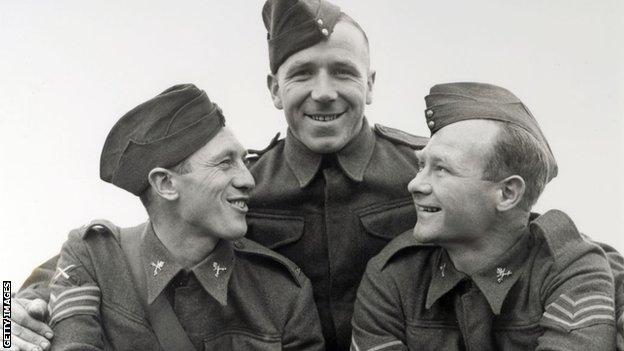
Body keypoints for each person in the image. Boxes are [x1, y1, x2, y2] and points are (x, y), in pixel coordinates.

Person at [11, 1, 624, 350]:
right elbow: (122, 247)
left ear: (372, 85)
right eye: (302, 73)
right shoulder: (243, 184)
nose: (324, 93)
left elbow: (534, 235)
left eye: (344, 73)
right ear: (273, 88)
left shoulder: (425, 172)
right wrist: (14, 310)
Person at [21, 84, 324, 351]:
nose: (248, 180)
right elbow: (11, 299)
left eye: (243, 162)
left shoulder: (283, 293)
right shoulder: (95, 257)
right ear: (165, 184)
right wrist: (6, 323)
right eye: (225, 163)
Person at [350, 82, 617, 350]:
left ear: (507, 193)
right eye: (421, 166)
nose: (415, 185)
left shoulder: (568, 268)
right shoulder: (394, 276)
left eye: (441, 169)